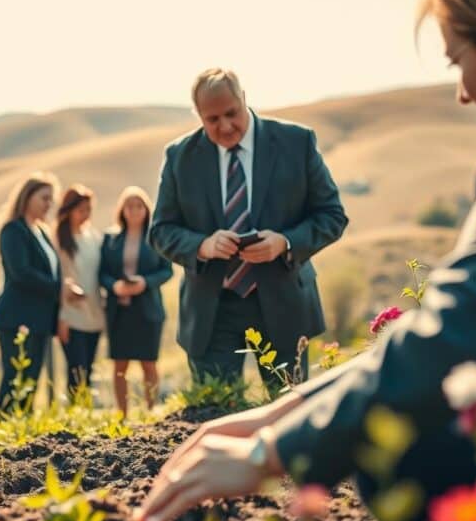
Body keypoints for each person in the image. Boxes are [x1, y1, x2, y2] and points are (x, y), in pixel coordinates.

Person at [134, 0, 476, 521]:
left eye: (457, 63)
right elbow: (448, 330)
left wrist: (268, 454)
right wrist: (277, 413)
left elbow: (450, 339)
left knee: (406, 451)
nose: (463, 93)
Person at [148, 68, 347, 389]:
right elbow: (160, 231)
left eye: (231, 113)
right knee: (214, 412)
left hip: (284, 303)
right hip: (212, 312)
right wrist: (203, 246)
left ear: (244, 99)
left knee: (287, 411)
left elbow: (332, 216)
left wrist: (284, 242)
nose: (225, 126)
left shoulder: (297, 142)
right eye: (212, 120)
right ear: (197, 115)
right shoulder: (179, 157)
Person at [0, 172, 68, 413]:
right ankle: (2, 432)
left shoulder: (41, 231)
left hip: (40, 319)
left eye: (51, 199)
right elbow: (21, 272)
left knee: (30, 380)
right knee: (15, 379)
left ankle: (21, 433)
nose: (49, 204)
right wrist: (61, 288)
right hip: (16, 317)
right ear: (27, 197)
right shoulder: (13, 230)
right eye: (44, 198)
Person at [100, 186, 173, 416]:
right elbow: (101, 273)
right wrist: (114, 286)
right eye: (129, 205)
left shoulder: (155, 238)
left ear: (146, 209)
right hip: (120, 311)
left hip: (148, 310)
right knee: (120, 365)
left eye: (138, 205)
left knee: (148, 363)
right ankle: (123, 415)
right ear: (122, 210)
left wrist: (145, 282)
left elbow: (167, 271)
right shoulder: (110, 239)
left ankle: (150, 413)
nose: (134, 210)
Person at [53, 183, 106, 400]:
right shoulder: (59, 240)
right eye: (81, 209)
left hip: (94, 313)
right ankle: (75, 417)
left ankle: (84, 414)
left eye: (89, 209)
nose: (86, 214)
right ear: (69, 210)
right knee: (76, 370)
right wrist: (62, 318)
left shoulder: (94, 238)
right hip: (71, 315)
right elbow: (58, 280)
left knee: (89, 371)